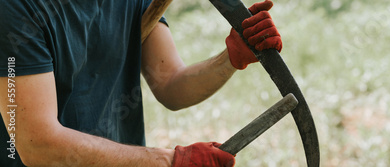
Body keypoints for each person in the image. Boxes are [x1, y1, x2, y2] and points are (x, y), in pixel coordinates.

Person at [0, 0, 282, 166]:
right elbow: (38, 145)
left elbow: (170, 84)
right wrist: (170, 161)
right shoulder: (14, 10)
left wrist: (230, 58)